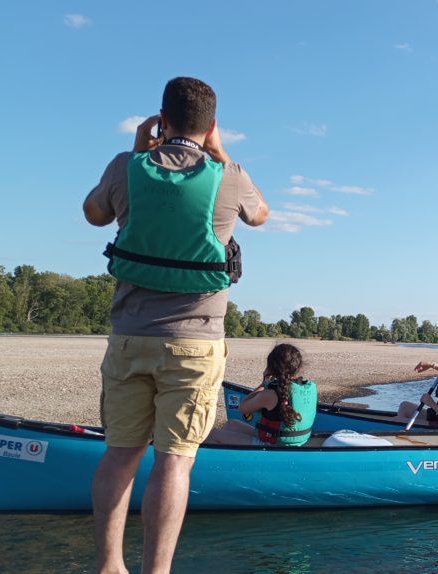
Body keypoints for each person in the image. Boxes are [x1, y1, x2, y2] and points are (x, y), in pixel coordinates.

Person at [83, 77, 268, 574]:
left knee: (120, 453)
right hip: (196, 343)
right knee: (175, 460)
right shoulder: (230, 174)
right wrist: (222, 153)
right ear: (210, 126)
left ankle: (108, 566)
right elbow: (261, 217)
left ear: (161, 120)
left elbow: (93, 214)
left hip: (129, 338)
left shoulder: (125, 167)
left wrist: (136, 150)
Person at [207, 344, 317, 446]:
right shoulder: (309, 387)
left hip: (273, 447)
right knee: (231, 424)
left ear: (272, 368)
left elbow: (243, 408)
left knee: (213, 434)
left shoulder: (270, 394)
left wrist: (264, 383)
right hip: (298, 442)